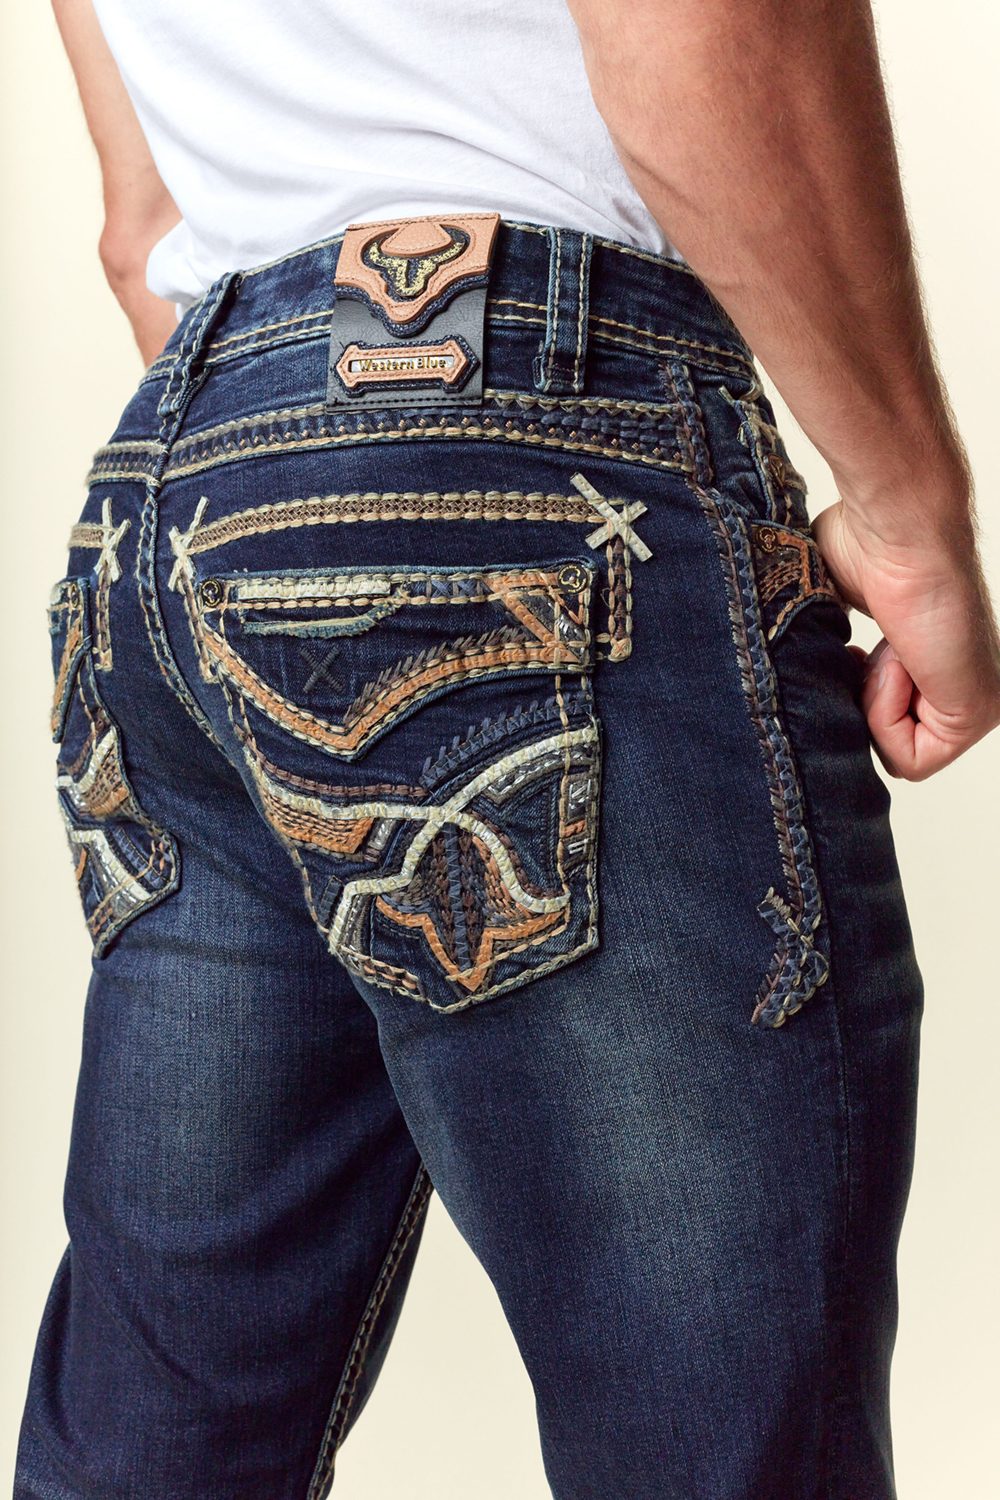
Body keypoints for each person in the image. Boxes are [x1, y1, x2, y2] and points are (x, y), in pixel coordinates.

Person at [15, 1, 999, 1496]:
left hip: (181, 496)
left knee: (159, 1442)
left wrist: (309, 501)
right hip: (542, 462)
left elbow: (136, 229)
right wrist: (912, 516)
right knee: (712, 1443)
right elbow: (700, 33)